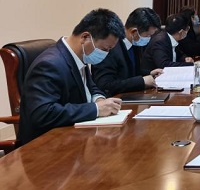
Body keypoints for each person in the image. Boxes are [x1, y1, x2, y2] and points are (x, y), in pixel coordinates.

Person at [18, 9, 125, 144]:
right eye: (105, 49)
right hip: (45, 145)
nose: (106, 54)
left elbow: (90, 86)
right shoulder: (49, 64)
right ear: (85, 37)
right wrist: (96, 109)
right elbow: (43, 113)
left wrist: (99, 99)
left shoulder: (79, 56)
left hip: (72, 137)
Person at [92, 7, 163, 97]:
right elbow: (105, 85)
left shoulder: (134, 44)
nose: (149, 39)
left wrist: (149, 74)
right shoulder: (110, 47)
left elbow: (130, 73)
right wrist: (141, 81)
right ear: (134, 32)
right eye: (147, 35)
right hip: (114, 100)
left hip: (131, 96)